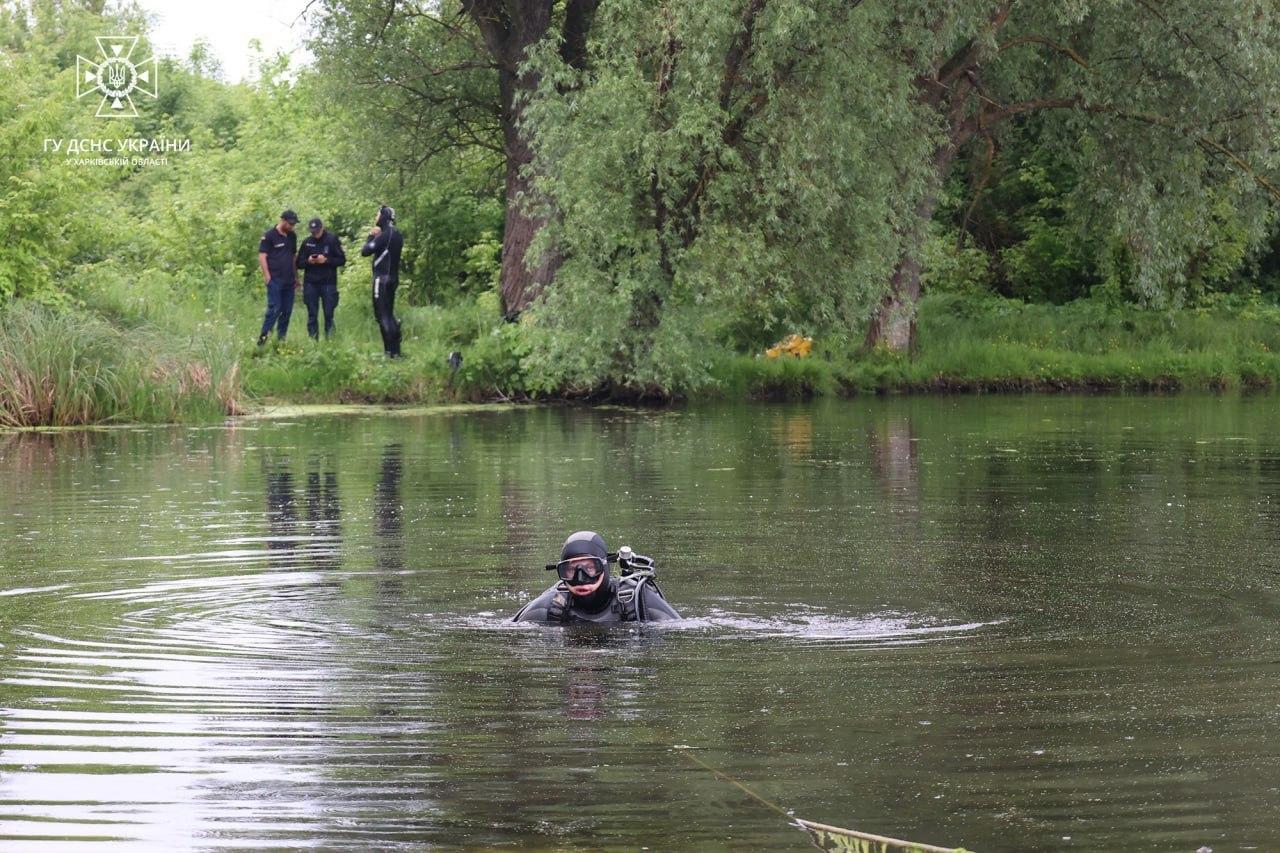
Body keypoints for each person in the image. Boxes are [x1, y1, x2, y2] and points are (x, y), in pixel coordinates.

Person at [512, 531, 680, 624]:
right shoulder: (550, 607)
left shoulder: (635, 601)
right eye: (570, 570)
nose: (580, 578)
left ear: (605, 566)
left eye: (590, 568)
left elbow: (681, 629)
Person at [360, 205, 404, 357]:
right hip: (393, 278)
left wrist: (372, 236)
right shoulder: (397, 234)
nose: (376, 217)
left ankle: (389, 352)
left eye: (377, 214)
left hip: (382, 279)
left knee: (382, 315)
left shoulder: (385, 235)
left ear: (384, 216)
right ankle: (396, 351)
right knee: (389, 314)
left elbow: (365, 251)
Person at [296, 217, 346, 339]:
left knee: (329, 314)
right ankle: (313, 340)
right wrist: (308, 261)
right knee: (312, 314)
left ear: (322, 228)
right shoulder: (307, 242)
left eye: (317, 231)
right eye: (312, 231)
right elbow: (299, 263)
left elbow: (342, 260)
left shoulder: (332, 240)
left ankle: (330, 340)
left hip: (328, 283)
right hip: (311, 283)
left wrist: (326, 260)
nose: (315, 234)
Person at [257, 210, 300, 345]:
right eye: (290, 223)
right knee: (274, 309)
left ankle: (280, 342)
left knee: (286, 312)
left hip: (289, 280)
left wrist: (296, 277)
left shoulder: (292, 236)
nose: (292, 226)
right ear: (282, 220)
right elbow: (262, 256)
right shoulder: (269, 236)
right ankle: (263, 340)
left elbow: (293, 257)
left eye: (293, 224)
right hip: (275, 279)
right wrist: (267, 276)